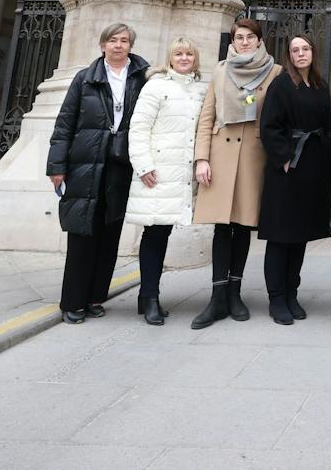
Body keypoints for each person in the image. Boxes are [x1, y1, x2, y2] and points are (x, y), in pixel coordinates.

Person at [48, 22, 148, 324]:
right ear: (103, 45)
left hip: (120, 166)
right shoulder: (85, 79)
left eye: (124, 40)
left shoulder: (141, 78)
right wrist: (57, 166)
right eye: (113, 40)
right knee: (82, 234)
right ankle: (72, 301)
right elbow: (64, 123)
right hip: (85, 163)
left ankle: (95, 297)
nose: (119, 45)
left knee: (109, 234)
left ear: (131, 45)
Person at [190, 18, 276, 329]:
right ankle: (217, 296)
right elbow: (207, 115)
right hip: (220, 154)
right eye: (239, 37)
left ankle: (235, 293)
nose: (244, 42)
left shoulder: (274, 71)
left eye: (250, 37)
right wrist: (201, 158)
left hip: (253, 156)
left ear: (259, 40)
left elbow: (275, 119)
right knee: (221, 228)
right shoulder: (220, 69)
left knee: (242, 226)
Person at [124, 37, 207, 325]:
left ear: (196, 59)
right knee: (155, 233)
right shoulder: (156, 87)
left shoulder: (200, 90)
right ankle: (149, 297)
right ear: (170, 59)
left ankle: (147, 295)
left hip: (183, 174)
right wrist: (144, 165)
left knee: (164, 233)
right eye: (179, 54)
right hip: (157, 172)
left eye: (189, 54)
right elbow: (139, 128)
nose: (184, 58)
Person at [258, 33, 331, 324]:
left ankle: (292, 292)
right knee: (280, 236)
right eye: (295, 50)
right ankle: (276, 298)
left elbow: (327, 125)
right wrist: (284, 156)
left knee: (300, 236)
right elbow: (269, 126)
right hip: (287, 168)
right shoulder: (281, 85)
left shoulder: (319, 84)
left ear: (313, 52)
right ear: (288, 55)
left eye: (305, 49)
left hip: (313, 168)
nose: (301, 54)